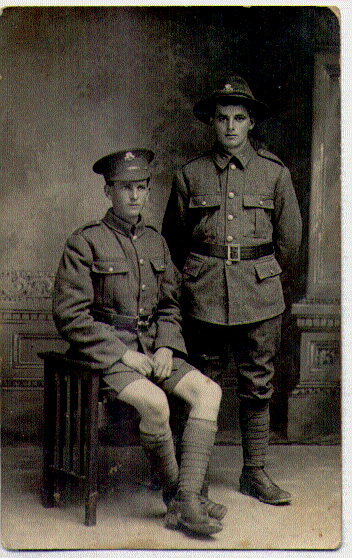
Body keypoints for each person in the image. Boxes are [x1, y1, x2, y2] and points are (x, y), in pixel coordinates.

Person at [52, 149, 226, 536]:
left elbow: (169, 305)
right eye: (126, 187)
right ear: (108, 190)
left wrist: (165, 345)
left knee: (208, 392)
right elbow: (70, 315)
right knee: (155, 402)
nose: (135, 195)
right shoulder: (86, 242)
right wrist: (122, 354)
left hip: (152, 345)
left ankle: (186, 498)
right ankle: (180, 497)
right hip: (104, 352)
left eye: (142, 187)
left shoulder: (156, 243)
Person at [162, 76, 302, 505]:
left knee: (257, 383)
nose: (230, 126)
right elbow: (174, 236)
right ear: (212, 123)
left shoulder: (275, 173)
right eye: (222, 118)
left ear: (252, 123)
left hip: (260, 295)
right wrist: (199, 274)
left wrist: (262, 275)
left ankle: (255, 472)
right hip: (203, 293)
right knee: (200, 383)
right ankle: (194, 477)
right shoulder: (191, 175)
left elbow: (290, 240)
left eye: (239, 118)